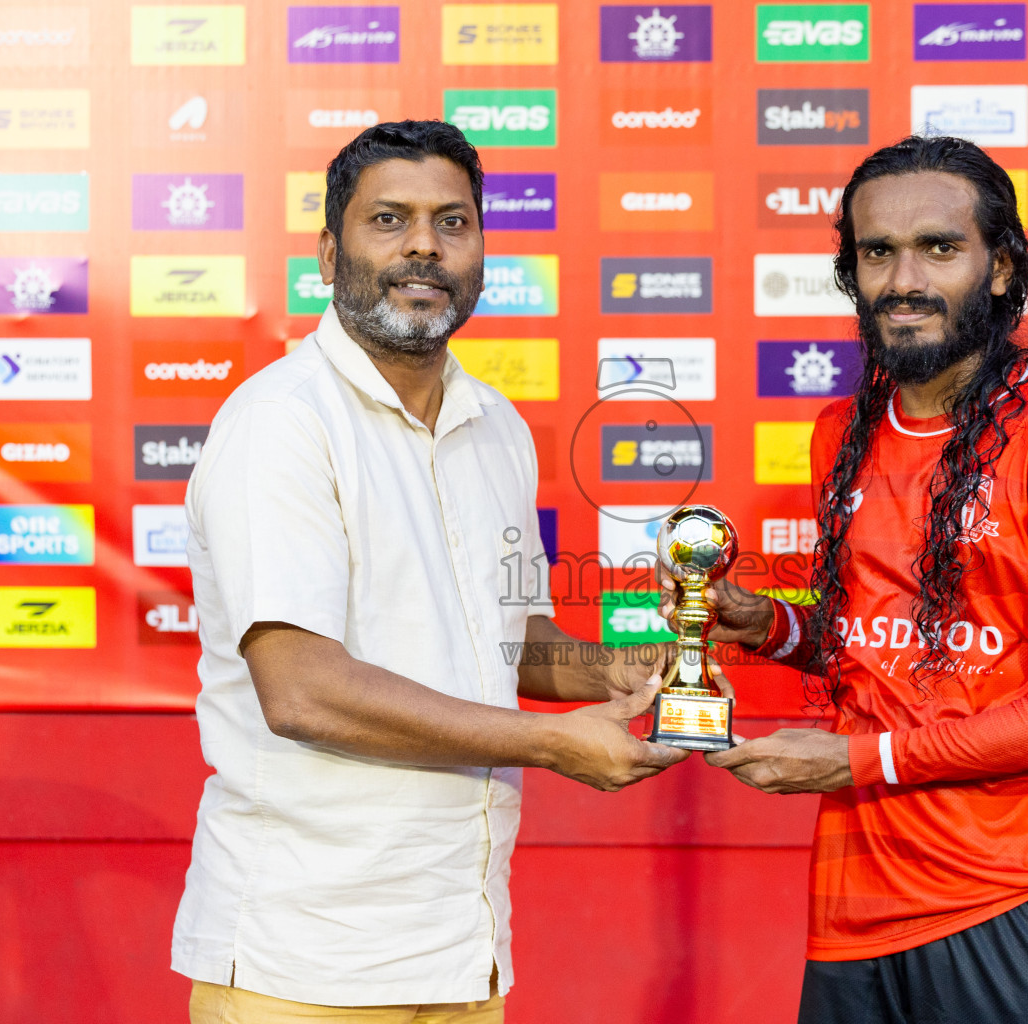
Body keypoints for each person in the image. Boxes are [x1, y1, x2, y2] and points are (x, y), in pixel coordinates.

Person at [172, 121, 689, 1023]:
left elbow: (511, 639)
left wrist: (615, 669)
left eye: (452, 222)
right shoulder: (281, 424)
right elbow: (301, 692)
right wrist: (554, 743)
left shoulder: (497, 425)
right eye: (390, 220)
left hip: (463, 949)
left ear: (482, 251)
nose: (423, 245)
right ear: (330, 254)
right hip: (304, 963)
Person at [663, 136, 1028, 1023]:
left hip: (1011, 903)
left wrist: (856, 759)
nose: (903, 279)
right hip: (854, 903)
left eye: (939, 248)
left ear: (1000, 267)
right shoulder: (840, 431)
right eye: (877, 252)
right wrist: (765, 625)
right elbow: (882, 647)